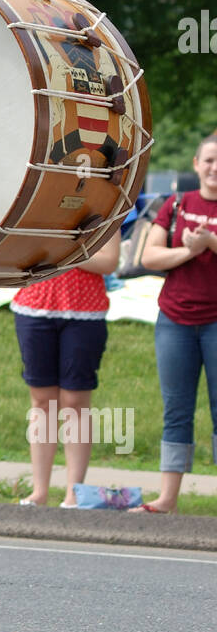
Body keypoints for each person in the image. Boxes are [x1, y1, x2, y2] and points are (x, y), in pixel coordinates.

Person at [134, 134, 217, 513]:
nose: (214, 168)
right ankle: (167, 499)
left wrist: (210, 244)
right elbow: (150, 257)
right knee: (177, 409)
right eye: (209, 160)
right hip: (174, 322)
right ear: (196, 163)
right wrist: (189, 249)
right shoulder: (176, 202)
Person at [11, 231, 122, 507]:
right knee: (41, 400)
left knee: (75, 401)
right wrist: (75, 254)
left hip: (85, 311)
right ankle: (40, 491)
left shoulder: (102, 206)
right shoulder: (42, 209)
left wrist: (61, 255)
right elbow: (20, 256)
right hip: (34, 307)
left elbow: (108, 262)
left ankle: (74, 492)